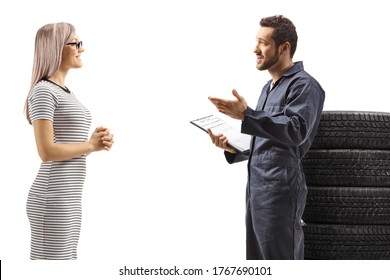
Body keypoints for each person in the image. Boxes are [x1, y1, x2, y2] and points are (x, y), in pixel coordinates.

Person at [208, 15, 325, 260]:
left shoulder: (305, 86)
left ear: (284, 48)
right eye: (256, 42)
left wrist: (247, 115)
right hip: (256, 190)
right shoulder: (268, 88)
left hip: (280, 190)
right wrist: (234, 149)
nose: (255, 49)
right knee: (258, 264)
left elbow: (295, 130)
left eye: (263, 43)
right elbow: (270, 141)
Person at [25, 22, 114, 260]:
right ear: (55, 47)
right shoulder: (43, 91)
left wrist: (94, 142)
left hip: (69, 197)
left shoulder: (64, 91)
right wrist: (91, 145)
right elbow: (46, 152)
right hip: (52, 197)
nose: (81, 49)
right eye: (76, 43)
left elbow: (67, 144)